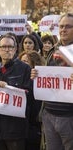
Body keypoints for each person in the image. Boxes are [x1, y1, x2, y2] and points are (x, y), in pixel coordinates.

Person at [31, 13, 73, 150]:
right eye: (61, 26)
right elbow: (48, 76)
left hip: (69, 117)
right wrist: (36, 74)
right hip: (49, 114)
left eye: (68, 26)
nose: (63, 30)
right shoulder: (53, 50)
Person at [0, 34, 32, 150]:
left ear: (15, 49)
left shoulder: (25, 69)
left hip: (15, 130)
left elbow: (30, 96)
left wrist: (9, 89)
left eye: (10, 47)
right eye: (3, 46)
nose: (7, 49)